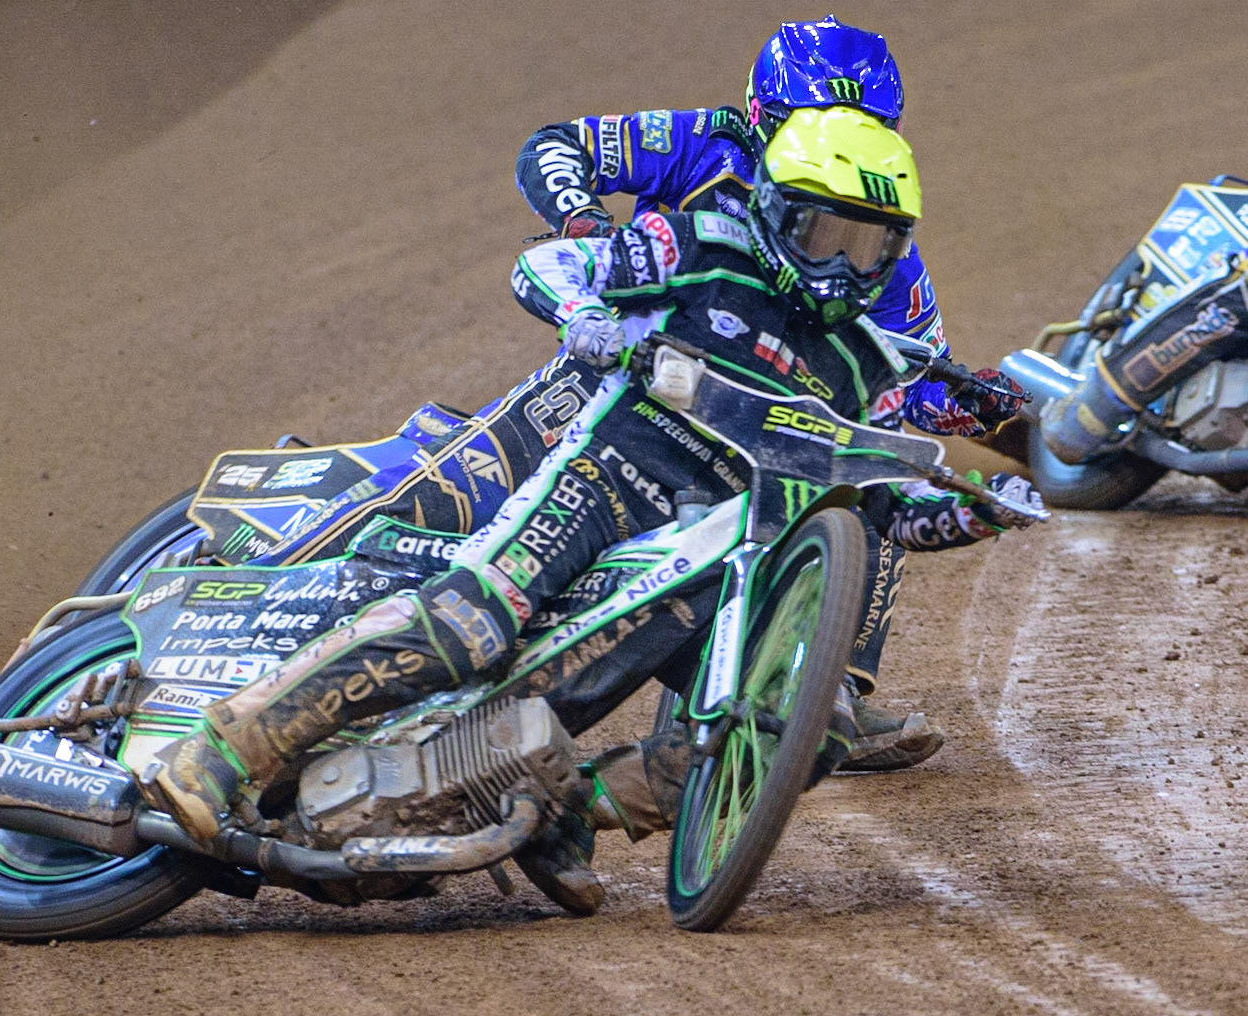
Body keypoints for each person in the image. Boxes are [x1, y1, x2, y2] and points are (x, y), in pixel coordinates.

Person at [139, 107, 1044, 913]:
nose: (845, 264)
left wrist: (972, 516)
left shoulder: (859, 364)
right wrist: (584, 312)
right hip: (605, 478)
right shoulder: (700, 247)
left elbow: (883, 508)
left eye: (869, 246)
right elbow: (548, 262)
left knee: (804, 730)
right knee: (469, 624)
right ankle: (224, 754)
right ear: (774, 213)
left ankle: (567, 807)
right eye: (826, 234)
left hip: (708, 551)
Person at [514, 15, 1026, 772]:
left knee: (876, 474)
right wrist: (583, 219)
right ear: (761, 113)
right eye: (814, 121)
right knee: (507, 468)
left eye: (864, 126)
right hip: (633, 372)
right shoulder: (699, 139)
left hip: (766, 415)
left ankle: (828, 685)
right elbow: (552, 146)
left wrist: (959, 402)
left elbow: (898, 383)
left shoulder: (886, 242)